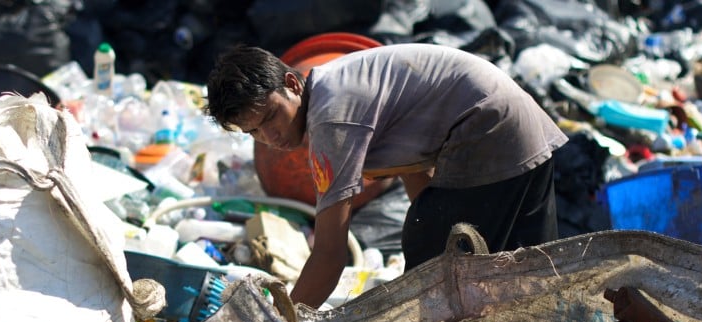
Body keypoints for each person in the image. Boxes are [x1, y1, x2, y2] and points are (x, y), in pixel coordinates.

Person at [205, 42, 568, 308]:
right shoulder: (335, 86)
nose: (271, 138)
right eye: (253, 132)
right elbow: (416, 168)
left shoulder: (331, 118)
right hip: (521, 125)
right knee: (534, 277)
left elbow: (331, 254)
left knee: (435, 270)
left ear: (292, 84)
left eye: (269, 117)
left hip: (489, 129)